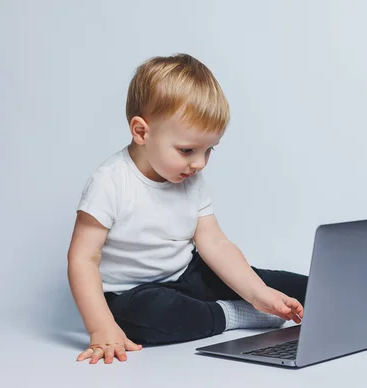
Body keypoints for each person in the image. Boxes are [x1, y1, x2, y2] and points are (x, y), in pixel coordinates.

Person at [67, 53, 308, 364]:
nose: (198, 163)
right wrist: (101, 327)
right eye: (187, 150)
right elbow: (82, 258)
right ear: (141, 132)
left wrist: (257, 291)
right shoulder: (110, 182)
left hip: (186, 273)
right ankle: (231, 315)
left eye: (208, 151)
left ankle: (329, 298)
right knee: (145, 316)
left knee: (286, 285)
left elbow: (215, 243)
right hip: (133, 293)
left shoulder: (190, 178)